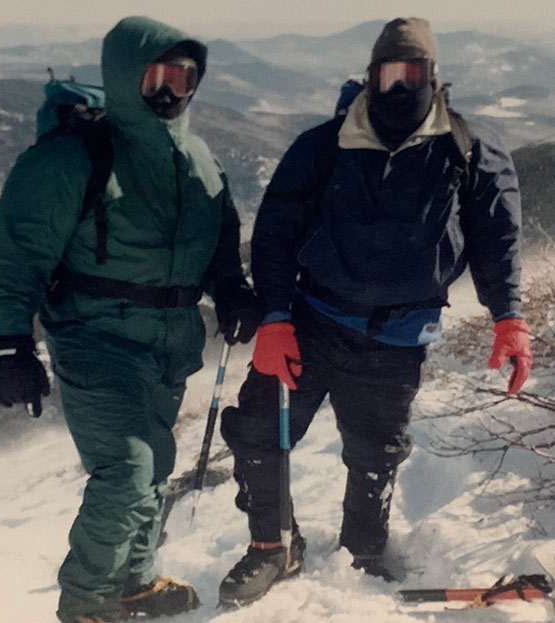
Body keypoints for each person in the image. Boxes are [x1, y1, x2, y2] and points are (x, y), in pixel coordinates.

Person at [217, 17, 533, 607]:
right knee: (259, 430)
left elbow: (498, 238)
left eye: (412, 74)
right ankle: (272, 546)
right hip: (310, 320)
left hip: (397, 336)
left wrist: (508, 316)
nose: (398, 88)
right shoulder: (324, 145)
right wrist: (274, 315)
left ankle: (362, 551)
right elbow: (277, 233)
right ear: (369, 76)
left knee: (375, 452)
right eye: (388, 73)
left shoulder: (470, 148)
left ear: (432, 77)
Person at [0, 15, 261, 623]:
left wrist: (231, 289)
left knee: (156, 462)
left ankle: (134, 584)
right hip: (94, 339)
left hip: (170, 344)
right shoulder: (73, 160)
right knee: (129, 469)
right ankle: (86, 606)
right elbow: (17, 252)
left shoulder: (198, 159)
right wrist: (11, 342)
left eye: (184, 79)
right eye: (157, 76)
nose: (170, 91)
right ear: (124, 76)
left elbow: (218, 239)